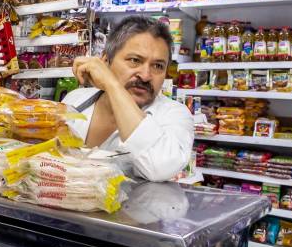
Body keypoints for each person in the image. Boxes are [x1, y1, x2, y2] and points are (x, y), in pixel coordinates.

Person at [64, 15, 194, 182]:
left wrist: (112, 85)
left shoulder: (174, 115)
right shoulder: (75, 100)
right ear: (106, 60)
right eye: (134, 60)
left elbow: (160, 168)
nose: (146, 76)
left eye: (158, 66)